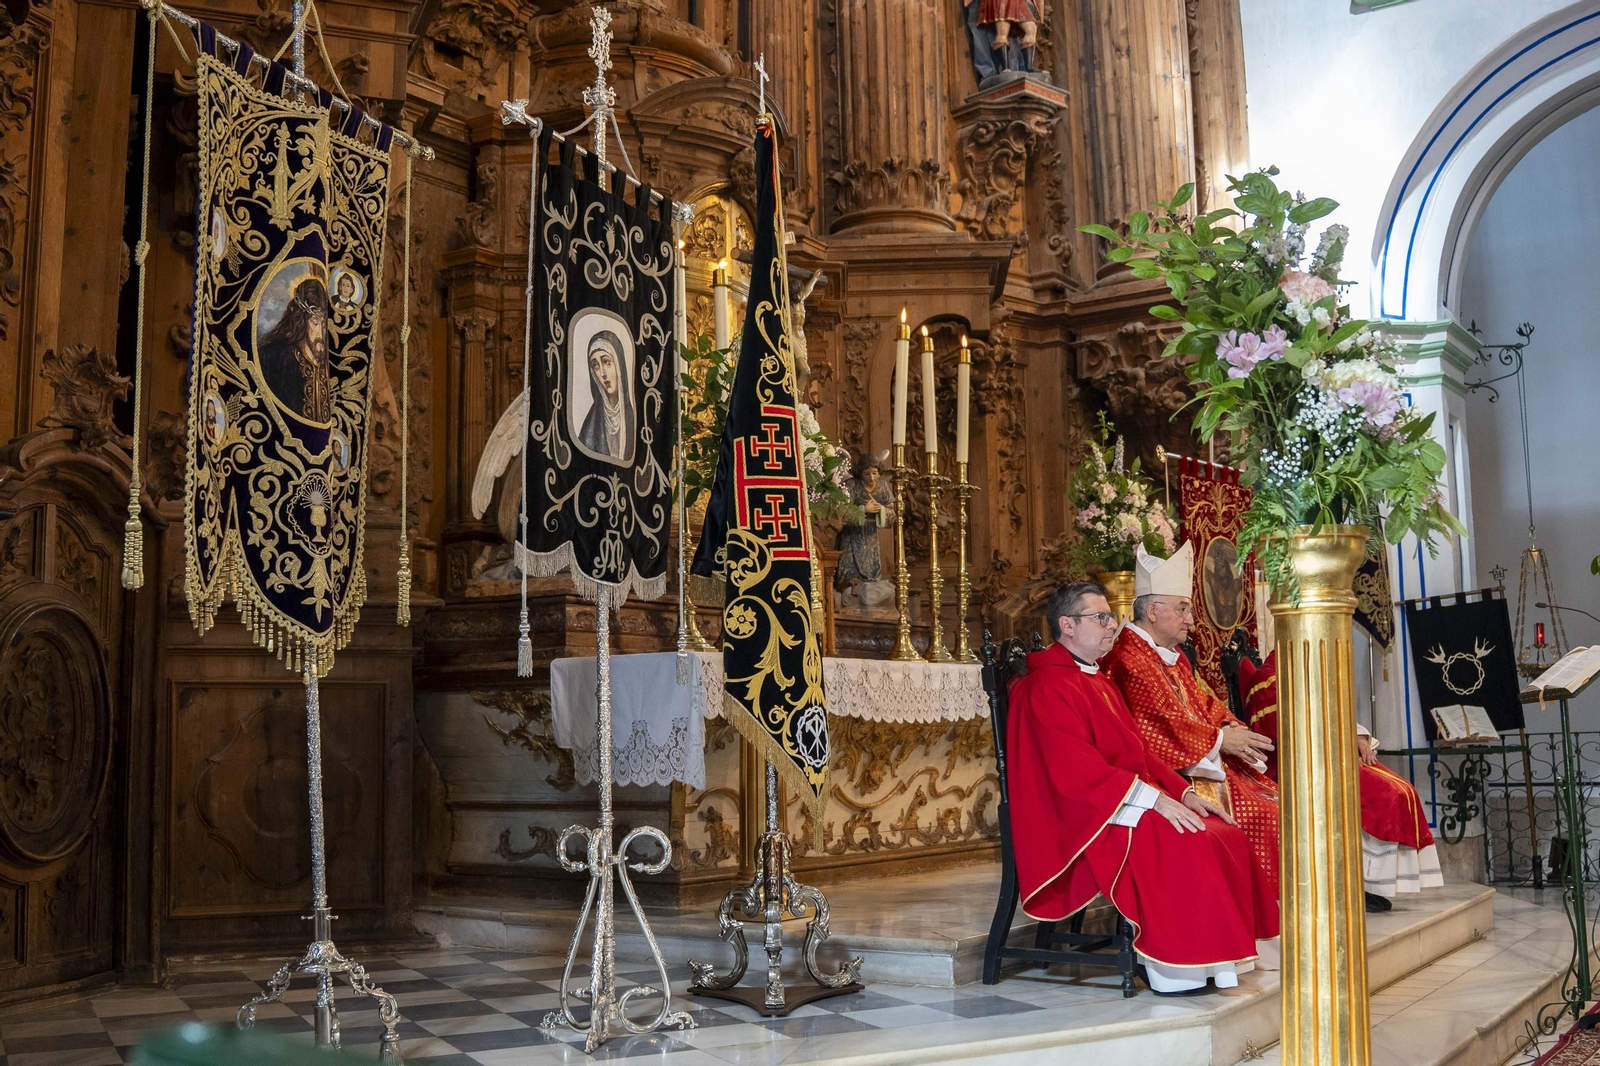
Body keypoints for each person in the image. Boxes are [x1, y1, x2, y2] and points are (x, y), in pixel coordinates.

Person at [1007, 581, 1279, 994]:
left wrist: (1183, 794)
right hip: (1079, 815)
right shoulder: (1044, 687)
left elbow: (1138, 752)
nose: (1111, 625)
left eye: (1110, 617)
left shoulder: (1095, 679)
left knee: (1222, 831)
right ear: (1067, 625)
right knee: (1185, 839)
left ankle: (1219, 962)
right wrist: (1157, 802)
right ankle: (1177, 970)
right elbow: (1075, 773)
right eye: (1100, 618)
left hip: (1114, 799)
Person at [1103, 544, 1282, 901]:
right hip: (1172, 774)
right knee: (1266, 813)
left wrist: (1231, 729)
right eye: (1182, 609)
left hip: (1203, 760)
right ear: (1152, 611)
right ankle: (1256, 924)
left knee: (1280, 801)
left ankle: (1280, 918)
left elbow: (1205, 702)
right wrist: (1219, 741)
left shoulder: (1172, 656)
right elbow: (1154, 726)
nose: (1190, 619)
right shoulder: (1129, 658)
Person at [1238, 653, 1443, 910]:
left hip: (1331, 757)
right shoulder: (1267, 679)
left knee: (1402, 790)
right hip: (1294, 766)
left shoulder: (1309, 669)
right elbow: (1277, 732)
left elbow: (1333, 712)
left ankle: (1368, 882)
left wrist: (1357, 736)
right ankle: (1355, 882)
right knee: (1387, 794)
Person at [259, 273, 332, 422]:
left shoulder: (328, 362)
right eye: (315, 322)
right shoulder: (276, 357)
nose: (320, 333)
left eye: (324, 324)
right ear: (302, 321)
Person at [833, 452, 895, 610]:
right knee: (851, 572)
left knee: (872, 571)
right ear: (860, 473)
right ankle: (849, 584)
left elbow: (893, 513)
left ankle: (871, 582)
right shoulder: (851, 485)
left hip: (870, 536)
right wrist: (862, 510)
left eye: (875, 473)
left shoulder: (882, 486)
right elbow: (840, 513)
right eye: (867, 474)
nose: (871, 478)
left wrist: (881, 509)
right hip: (851, 538)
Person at [576, 330, 633, 462]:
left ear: (619, 365)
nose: (602, 373)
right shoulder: (591, 424)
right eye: (595, 365)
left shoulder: (635, 418)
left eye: (606, 362)